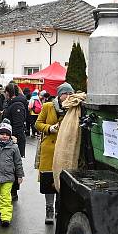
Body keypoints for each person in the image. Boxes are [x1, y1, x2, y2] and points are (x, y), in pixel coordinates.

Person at [35, 82, 73, 224]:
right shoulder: (48, 106)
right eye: (65, 93)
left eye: (70, 93)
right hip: (49, 151)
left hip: (64, 149)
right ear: (59, 95)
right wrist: (50, 128)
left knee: (61, 180)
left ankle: (59, 209)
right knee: (48, 181)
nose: (68, 96)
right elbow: (38, 124)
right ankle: (49, 209)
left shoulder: (73, 108)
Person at [0, 119, 24, 227]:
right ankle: (0, 211)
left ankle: (5, 217)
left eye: (7, 134)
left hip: (8, 177)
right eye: (2, 134)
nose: (4, 136)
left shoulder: (14, 147)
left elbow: (18, 162)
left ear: (10, 136)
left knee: (5, 197)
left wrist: (19, 175)